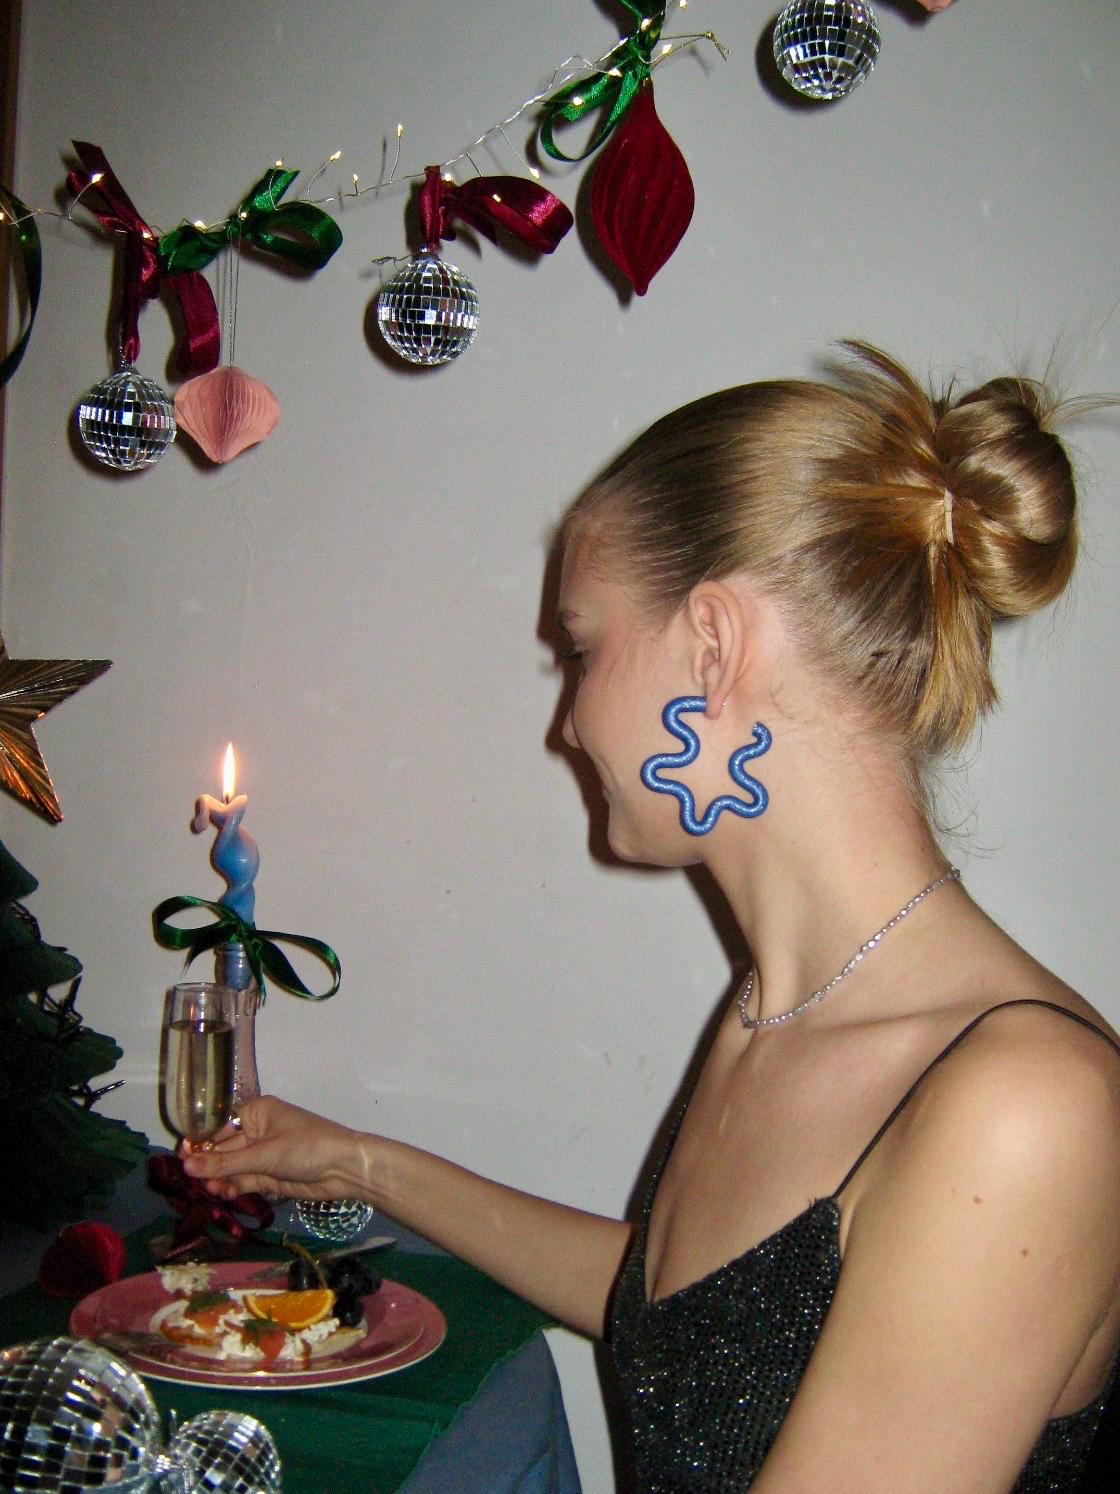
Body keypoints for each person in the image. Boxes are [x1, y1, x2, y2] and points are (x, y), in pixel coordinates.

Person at [186, 344, 1120, 1491]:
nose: (568, 725)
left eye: (581, 648)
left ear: (713, 650)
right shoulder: (775, 1008)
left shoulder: (1024, 1109)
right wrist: (359, 1163)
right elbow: (696, 1326)